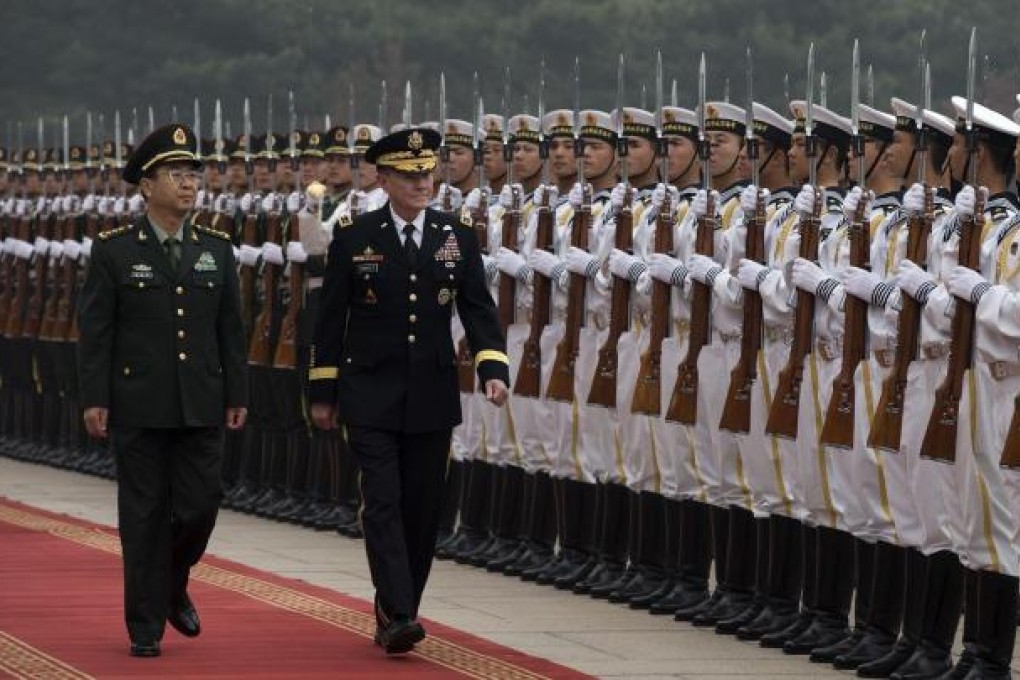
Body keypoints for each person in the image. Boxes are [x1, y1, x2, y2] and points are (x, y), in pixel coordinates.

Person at [307, 126, 509, 654]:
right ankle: (397, 611)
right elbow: (330, 319)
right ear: (384, 177)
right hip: (368, 390)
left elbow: (477, 306)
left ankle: (401, 606)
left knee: (422, 509)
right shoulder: (354, 233)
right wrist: (322, 391)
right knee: (383, 501)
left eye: (427, 173)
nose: (423, 183)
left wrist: (492, 367)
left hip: (432, 392)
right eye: (410, 175)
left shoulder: (456, 232)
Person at [76, 123, 248, 658]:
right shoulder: (114, 251)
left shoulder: (217, 249)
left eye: (194, 173)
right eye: (176, 174)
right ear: (146, 186)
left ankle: (173, 582)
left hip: (201, 399)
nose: (189, 183)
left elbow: (230, 330)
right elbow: (96, 331)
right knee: (144, 514)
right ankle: (145, 625)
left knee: (201, 505)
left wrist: (236, 393)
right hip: (139, 402)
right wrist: (94, 397)